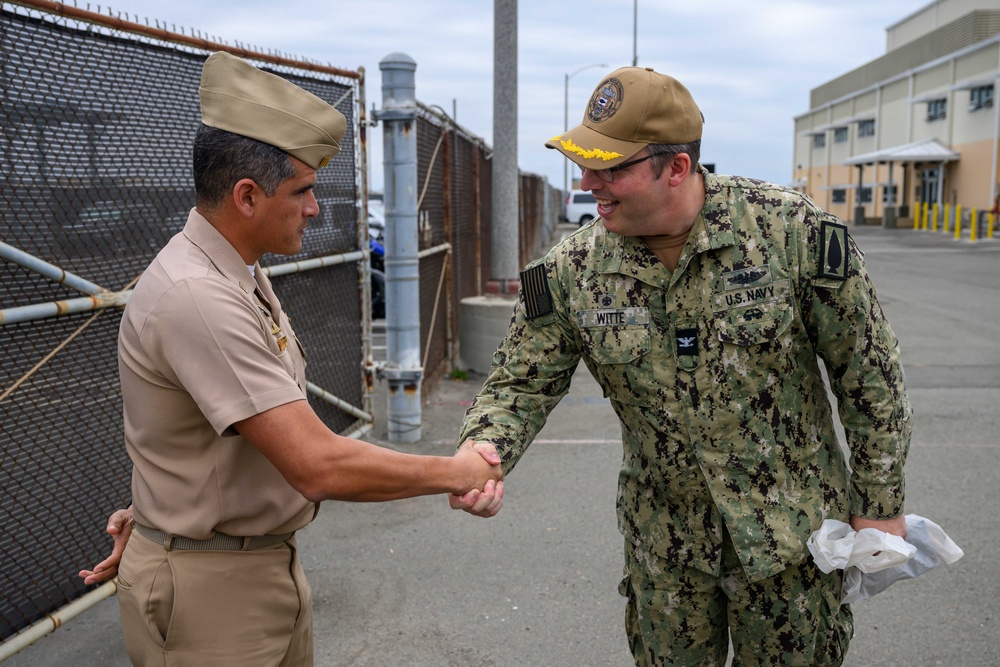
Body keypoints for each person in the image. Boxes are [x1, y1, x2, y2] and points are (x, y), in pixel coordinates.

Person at [450, 66, 911, 666]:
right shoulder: (571, 273)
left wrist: (880, 502)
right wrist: (481, 453)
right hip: (666, 553)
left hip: (791, 545)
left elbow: (869, 375)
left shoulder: (790, 234)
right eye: (585, 163)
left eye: (611, 167)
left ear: (676, 168)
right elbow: (517, 385)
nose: (588, 181)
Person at [78, 51, 501, 666]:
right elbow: (318, 466)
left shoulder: (236, 270)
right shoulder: (198, 295)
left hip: (252, 568)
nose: (315, 208)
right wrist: (459, 472)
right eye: (302, 191)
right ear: (247, 197)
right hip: (212, 599)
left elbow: (194, 433)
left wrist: (152, 510)